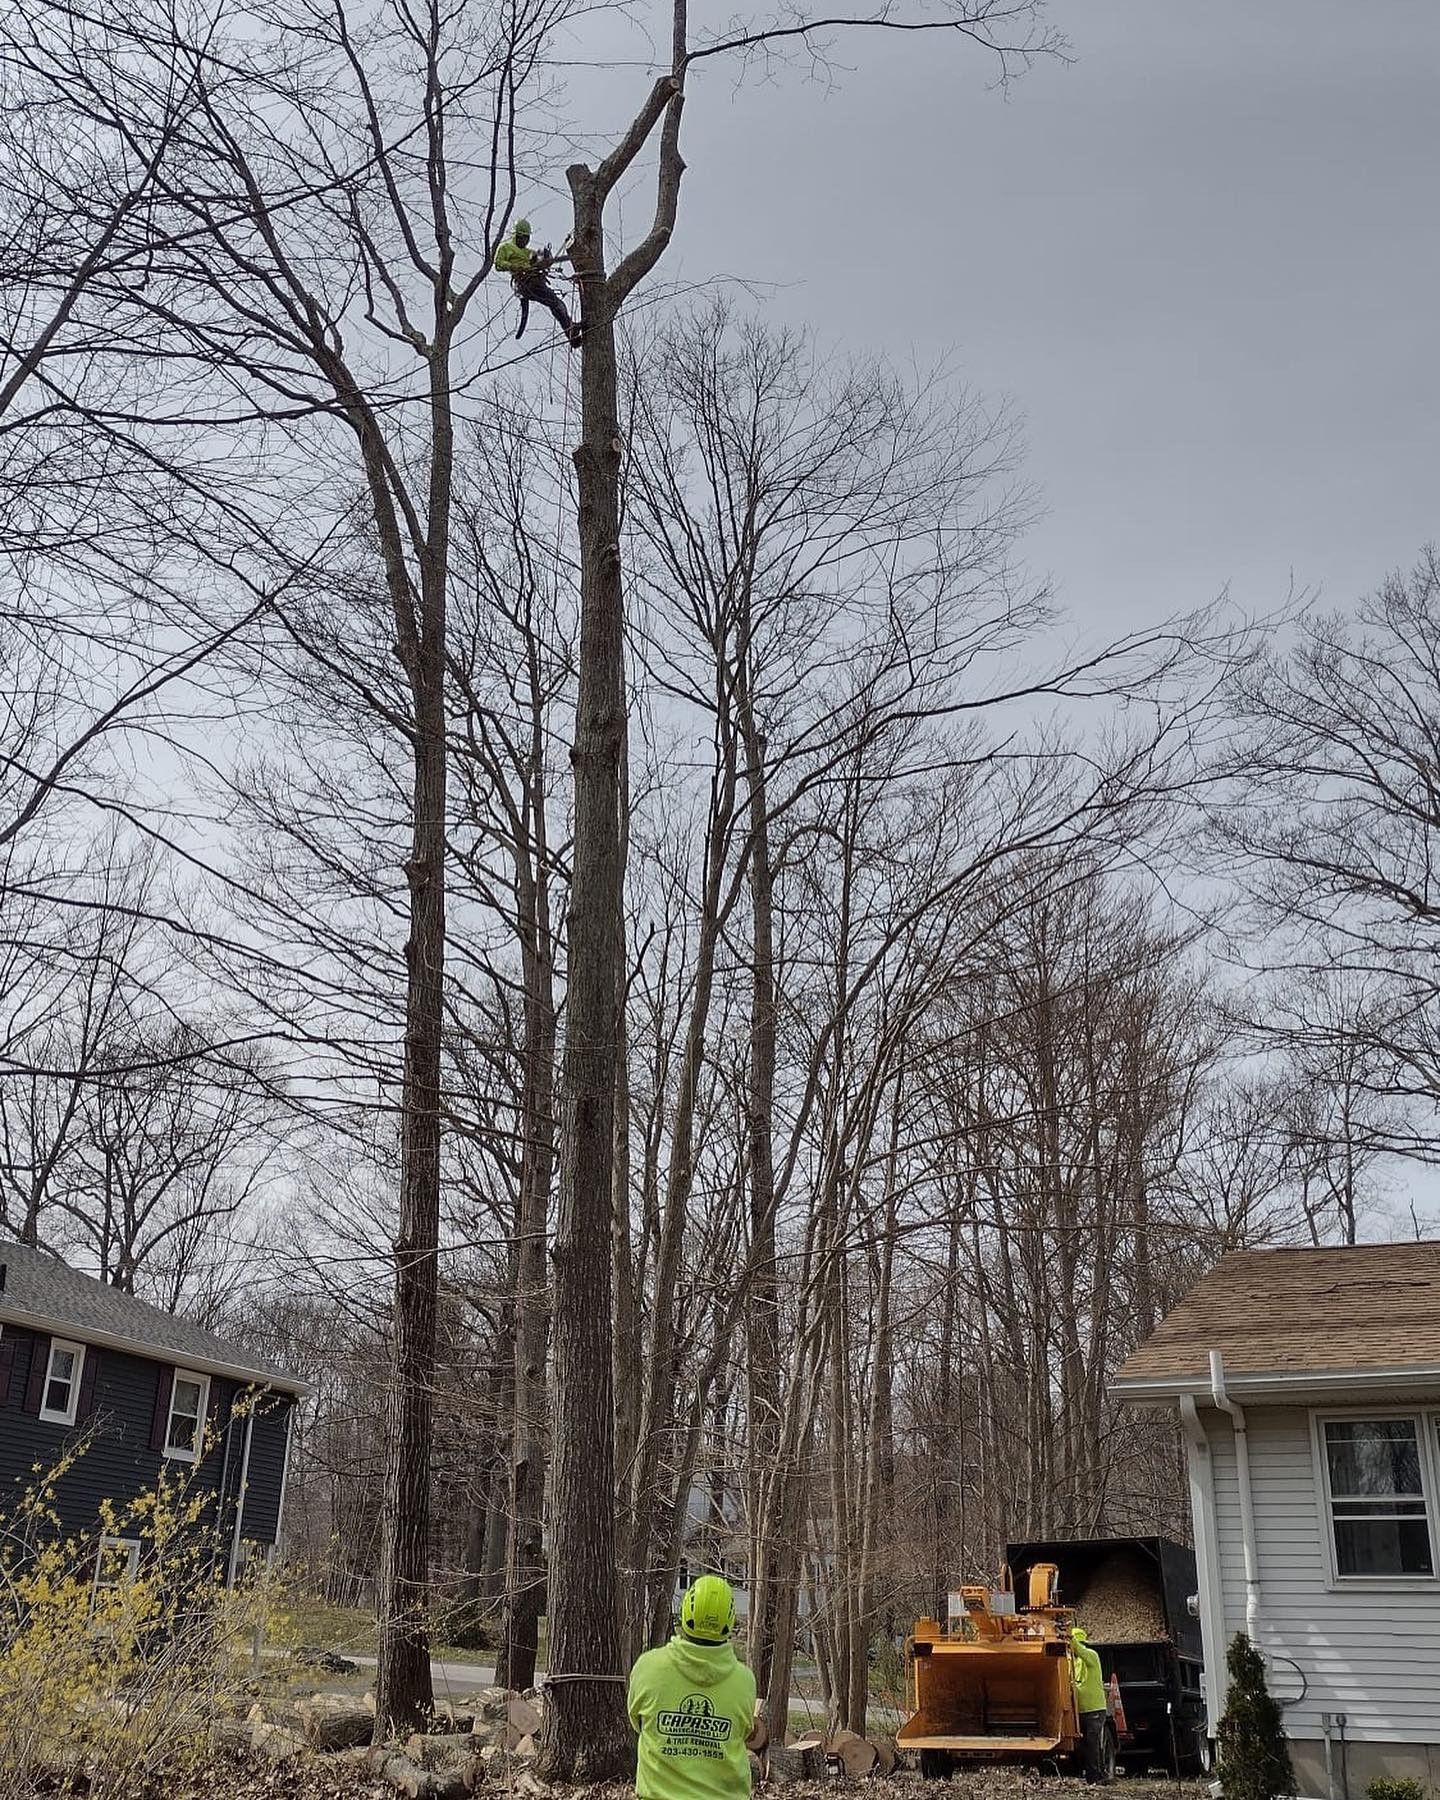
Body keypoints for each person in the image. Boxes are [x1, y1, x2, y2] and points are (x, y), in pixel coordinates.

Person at [628, 1575, 760, 1800]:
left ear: (686, 1613)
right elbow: (744, 1731)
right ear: (729, 1620)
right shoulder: (744, 1681)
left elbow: (637, 1722)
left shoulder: (648, 1667)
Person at [494, 218, 582, 346]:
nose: (525, 241)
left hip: (536, 281)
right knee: (555, 303)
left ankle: (571, 332)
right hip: (524, 283)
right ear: (516, 236)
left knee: (557, 303)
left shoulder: (530, 253)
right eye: (522, 238)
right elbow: (498, 264)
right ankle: (570, 330)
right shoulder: (506, 248)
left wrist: (545, 258)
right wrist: (514, 266)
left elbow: (539, 260)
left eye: (527, 238)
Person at [1069, 1627, 1114, 1784]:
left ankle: (1095, 1777)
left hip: (1094, 1709)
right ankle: (1093, 1774)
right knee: (1084, 1745)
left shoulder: (1091, 1656)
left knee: (1092, 1743)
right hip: (1080, 1710)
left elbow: (1079, 1650)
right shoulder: (1071, 1662)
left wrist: (1067, 1635)